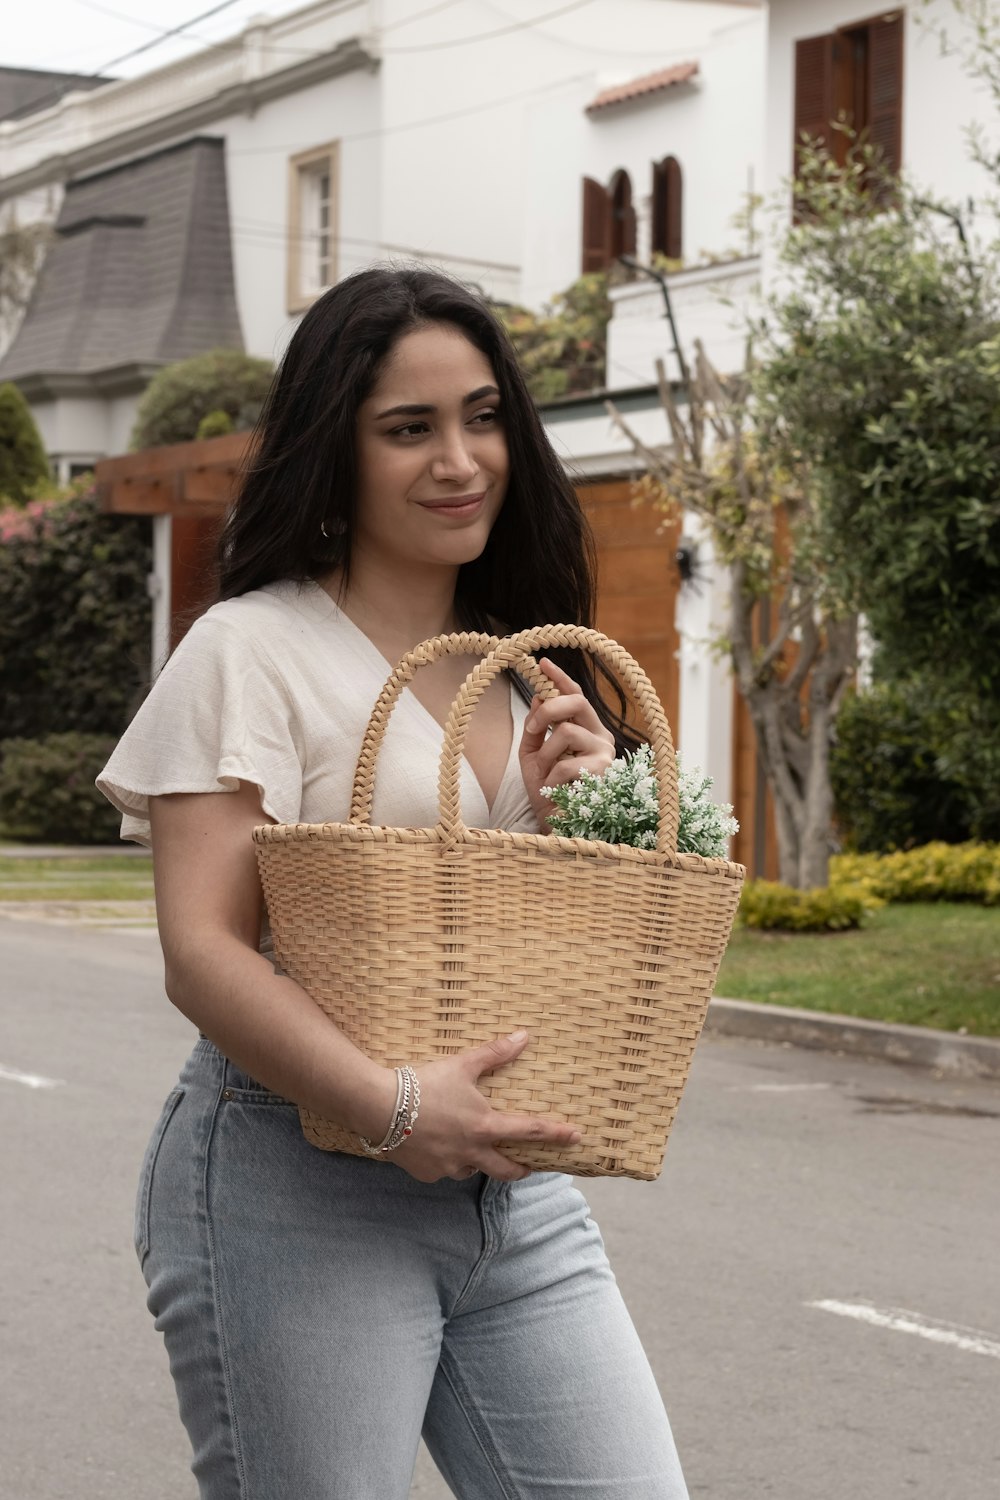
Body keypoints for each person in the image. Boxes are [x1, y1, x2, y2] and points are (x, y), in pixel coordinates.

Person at [98, 264, 690, 1499]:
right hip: (291, 1179)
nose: (458, 459)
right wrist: (398, 1107)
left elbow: (527, 945)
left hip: (510, 1195)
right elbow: (200, 952)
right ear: (337, 450)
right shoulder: (250, 649)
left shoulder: (523, 669)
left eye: (480, 418)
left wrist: (590, 809)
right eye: (407, 429)